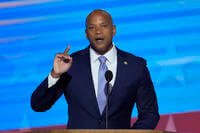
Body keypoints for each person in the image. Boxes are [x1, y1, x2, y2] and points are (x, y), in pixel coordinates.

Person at [31, 9, 159, 129]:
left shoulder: (135, 66)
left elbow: (150, 114)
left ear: (113, 30)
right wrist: (55, 75)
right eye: (92, 27)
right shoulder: (70, 65)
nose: (98, 31)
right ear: (86, 34)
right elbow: (38, 105)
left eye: (104, 26)